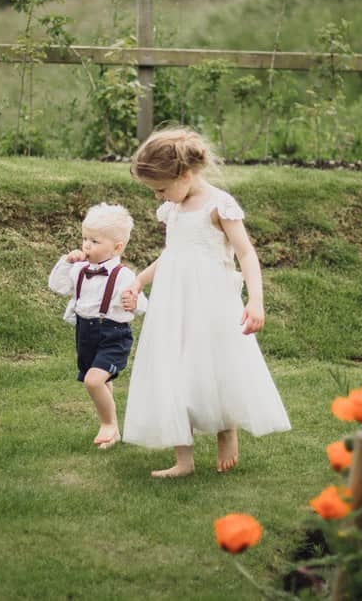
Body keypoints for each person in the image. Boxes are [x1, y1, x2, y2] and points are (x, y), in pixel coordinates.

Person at [120, 127, 290, 477]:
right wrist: (139, 279)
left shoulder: (219, 206)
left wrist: (255, 300)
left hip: (211, 303)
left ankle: (227, 429)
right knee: (174, 367)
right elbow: (172, 254)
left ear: (184, 174)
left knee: (214, 366)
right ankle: (183, 459)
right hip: (173, 304)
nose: (160, 198)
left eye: (162, 189)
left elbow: (246, 253)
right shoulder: (174, 209)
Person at [48, 203, 147, 450]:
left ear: (117, 247)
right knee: (101, 382)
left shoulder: (123, 275)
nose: (87, 245)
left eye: (95, 241)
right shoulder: (80, 269)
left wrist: (132, 301)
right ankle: (113, 430)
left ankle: (107, 424)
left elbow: (142, 304)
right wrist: (66, 262)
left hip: (113, 334)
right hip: (85, 332)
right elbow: (57, 286)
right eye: (84, 239)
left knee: (94, 381)